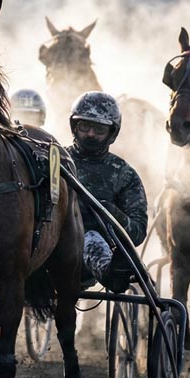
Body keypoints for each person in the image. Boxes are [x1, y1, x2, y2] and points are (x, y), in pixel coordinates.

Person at [66, 92, 148, 292]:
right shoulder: (56, 161)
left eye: (100, 129)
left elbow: (137, 232)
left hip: (90, 248)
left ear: (112, 133)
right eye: (85, 126)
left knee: (90, 236)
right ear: (74, 127)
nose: (91, 134)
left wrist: (111, 213)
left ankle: (114, 275)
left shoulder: (124, 174)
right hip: (52, 240)